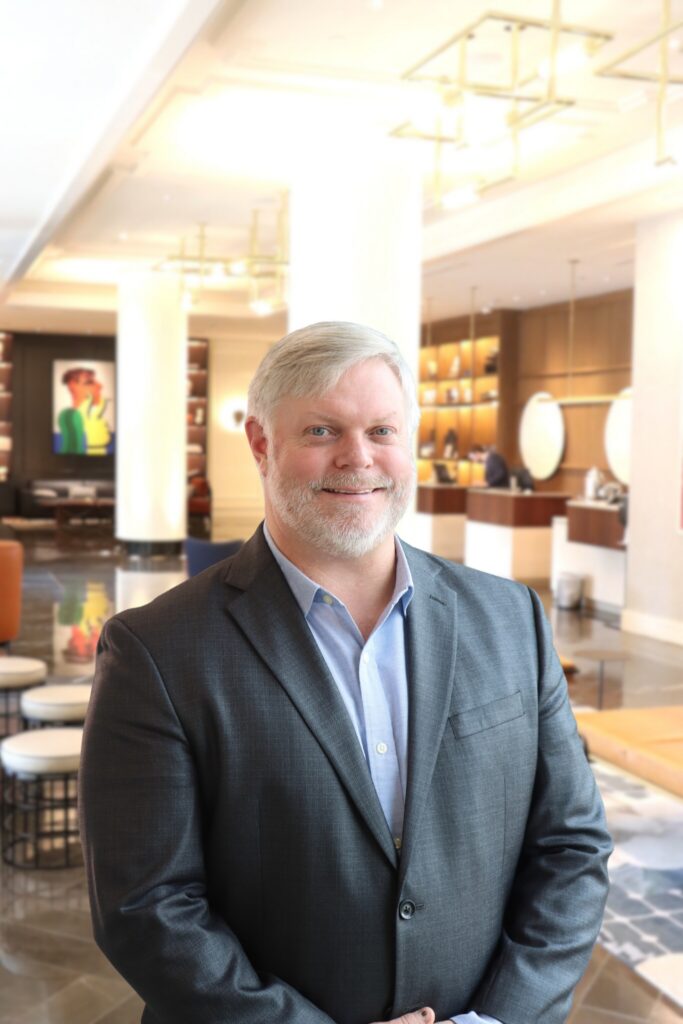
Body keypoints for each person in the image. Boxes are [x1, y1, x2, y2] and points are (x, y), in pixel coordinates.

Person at [80, 321, 611, 1024]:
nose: (358, 459)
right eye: (322, 431)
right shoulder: (156, 651)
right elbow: (147, 908)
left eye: (382, 432)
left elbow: (569, 845)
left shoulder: (510, 617)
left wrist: (496, 1019)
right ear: (262, 444)